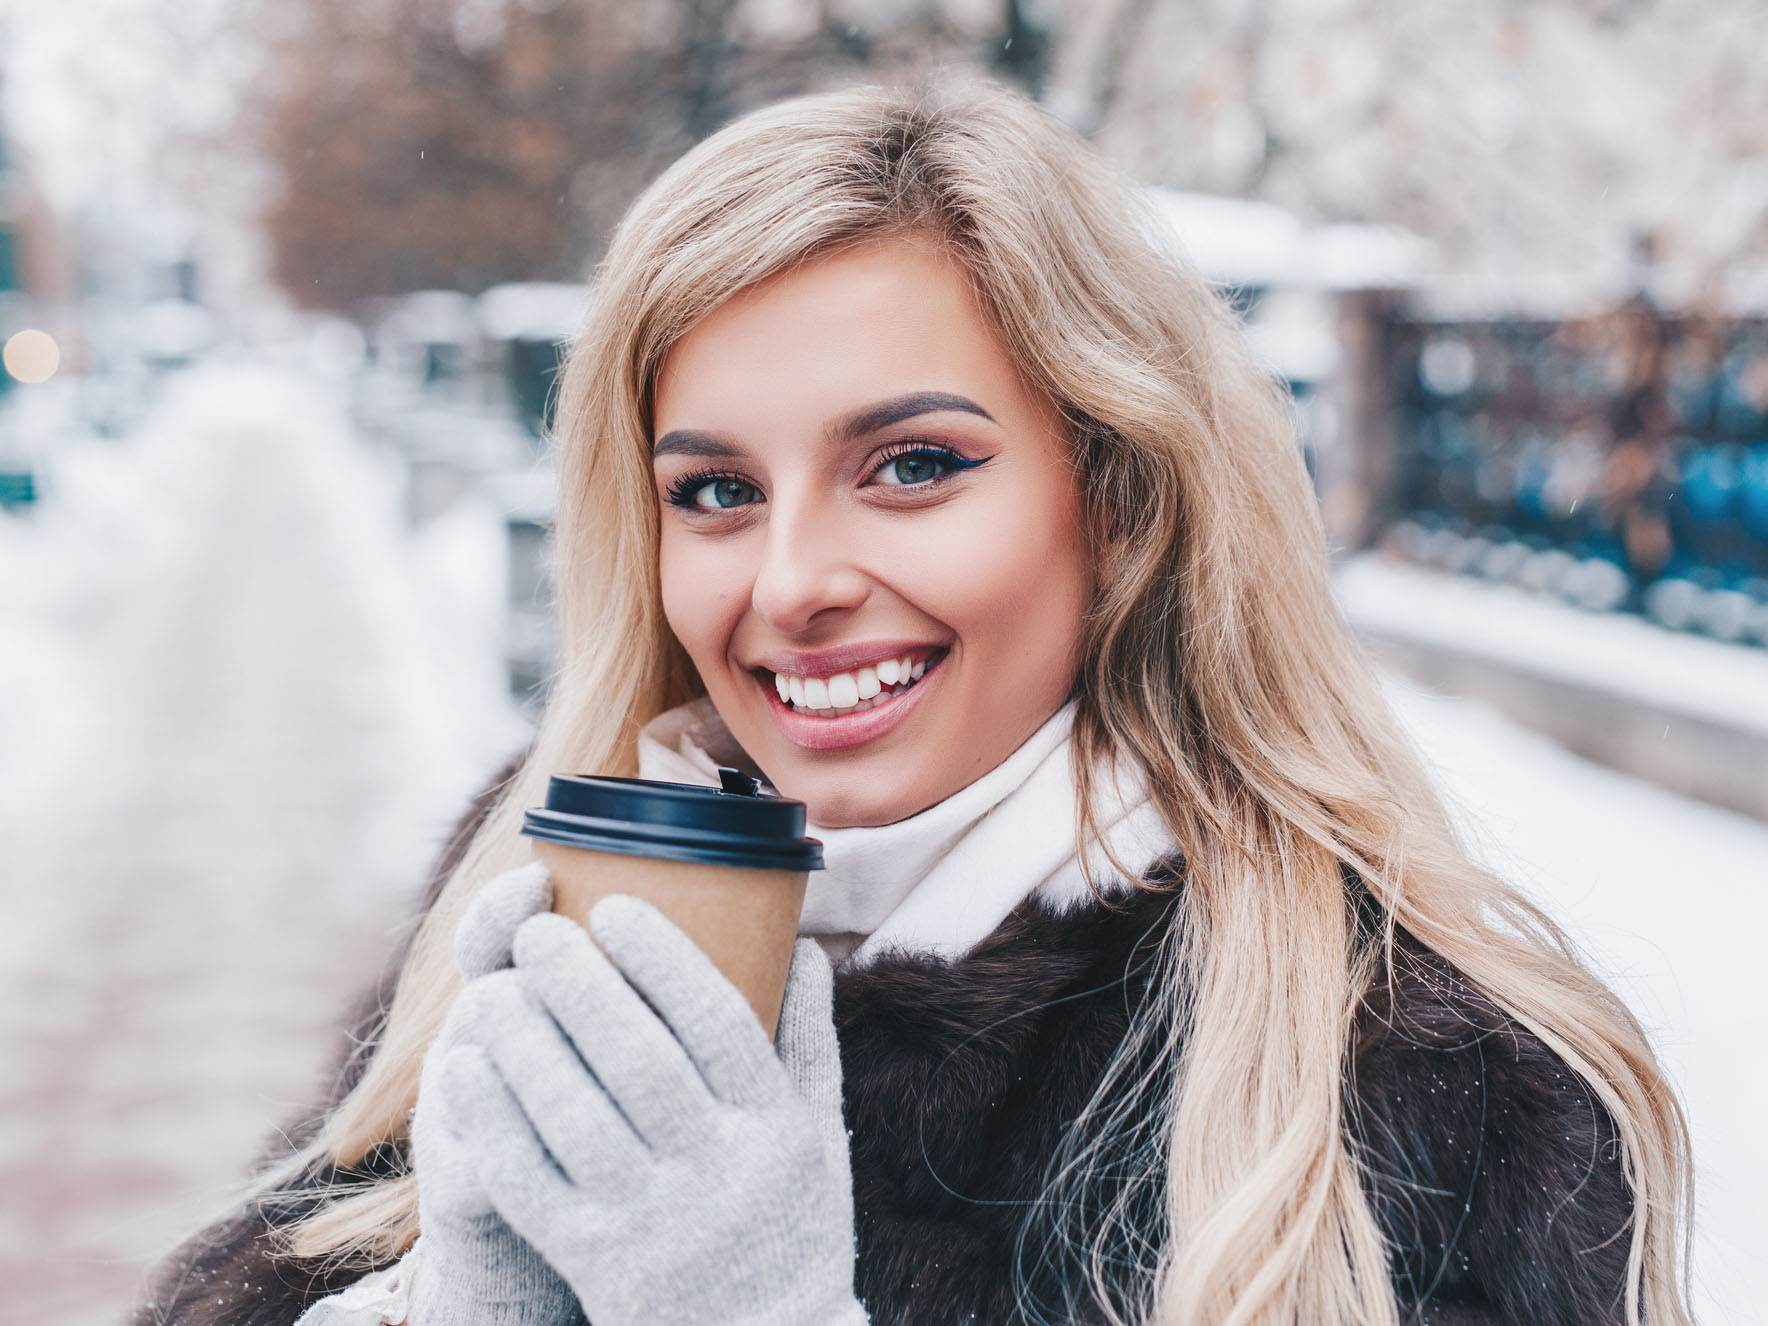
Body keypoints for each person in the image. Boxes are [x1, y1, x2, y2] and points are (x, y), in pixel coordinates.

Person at [130, 76, 1693, 1326]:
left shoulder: (1407, 1087)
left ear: (1120, 500)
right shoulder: (529, 905)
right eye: (718, 489)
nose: (792, 577)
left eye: (914, 465)